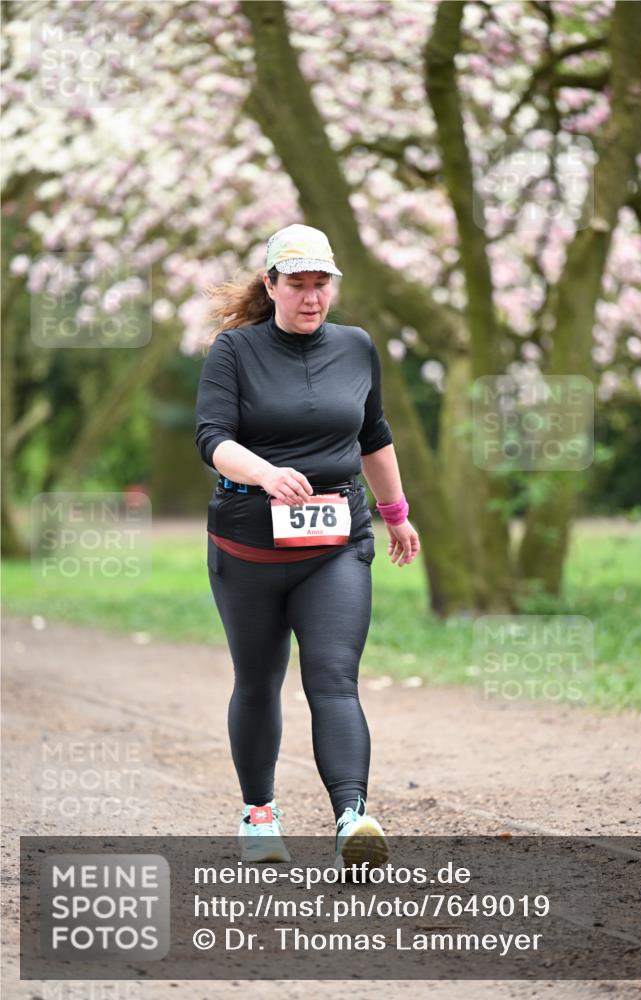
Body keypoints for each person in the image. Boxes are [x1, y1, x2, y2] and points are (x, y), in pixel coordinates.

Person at [195, 223, 420, 870]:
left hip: (335, 545)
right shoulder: (234, 351)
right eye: (297, 284)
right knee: (258, 681)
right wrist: (265, 474)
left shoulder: (356, 347)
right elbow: (212, 438)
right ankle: (258, 815)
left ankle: (352, 819)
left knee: (334, 678)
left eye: (322, 283)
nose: (312, 296)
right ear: (271, 286)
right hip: (248, 551)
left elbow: (373, 435)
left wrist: (395, 514)